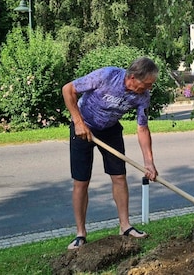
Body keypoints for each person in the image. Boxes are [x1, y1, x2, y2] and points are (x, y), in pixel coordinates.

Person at [61, 57, 159, 250]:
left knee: (119, 177)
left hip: (110, 130)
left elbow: (143, 129)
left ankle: (125, 226)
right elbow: (68, 89)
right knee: (81, 181)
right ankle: (80, 233)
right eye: (146, 84)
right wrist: (78, 123)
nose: (148, 89)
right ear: (132, 77)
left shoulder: (143, 96)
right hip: (84, 127)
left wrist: (149, 162)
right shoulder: (107, 76)